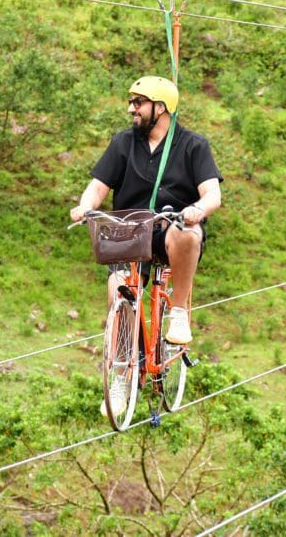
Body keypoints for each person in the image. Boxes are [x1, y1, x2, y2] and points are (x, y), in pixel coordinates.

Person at [70, 76, 222, 415]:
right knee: (117, 290)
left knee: (187, 234)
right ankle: (122, 375)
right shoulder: (123, 143)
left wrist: (197, 210)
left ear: (161, 107)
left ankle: (178, 313)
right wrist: (85, 206)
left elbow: (212, 194)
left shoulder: (193, 146)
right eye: (131, 102)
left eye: (138, 103)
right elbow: (98, 186)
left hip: (170, 228)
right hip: (130, 231)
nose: (131, 109)